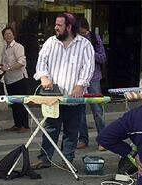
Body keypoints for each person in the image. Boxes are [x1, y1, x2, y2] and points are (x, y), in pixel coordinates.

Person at [31, 13, 95, 169]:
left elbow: (88, 67)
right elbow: (41, 64)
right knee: (50, 128)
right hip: (53, 96)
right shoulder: (50, 43)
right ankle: (44, 158)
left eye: (59, 25)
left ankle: (67, 159)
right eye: (56, 24)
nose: (56, 28)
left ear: (69, 27)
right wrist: (43, 77)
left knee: (71, 130)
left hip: (74, 97)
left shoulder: (85, 45)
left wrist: (81, 85)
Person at [76, 17, 106, 152]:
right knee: (79, 111)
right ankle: (83, 138)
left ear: (86, 28)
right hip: (78, 78)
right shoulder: (74, 39)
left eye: (82, 33)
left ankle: (103, 139)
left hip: (93, 77)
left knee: (97, 110)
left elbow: (103, 58)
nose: (80, 35)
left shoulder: (94, 38)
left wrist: (90, 52)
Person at [0, 26, 29, 133]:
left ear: (14, 35)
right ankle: (17, 124)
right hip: (9, 79)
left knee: (20, 103)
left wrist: (8, 68)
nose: (7, 36)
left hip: (19, 79)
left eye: (9, 34)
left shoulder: (18, 47)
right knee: (13, 103)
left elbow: (21, 62)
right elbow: (4, 64)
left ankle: (25, 126)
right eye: (5, 34)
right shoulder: (5, 48)